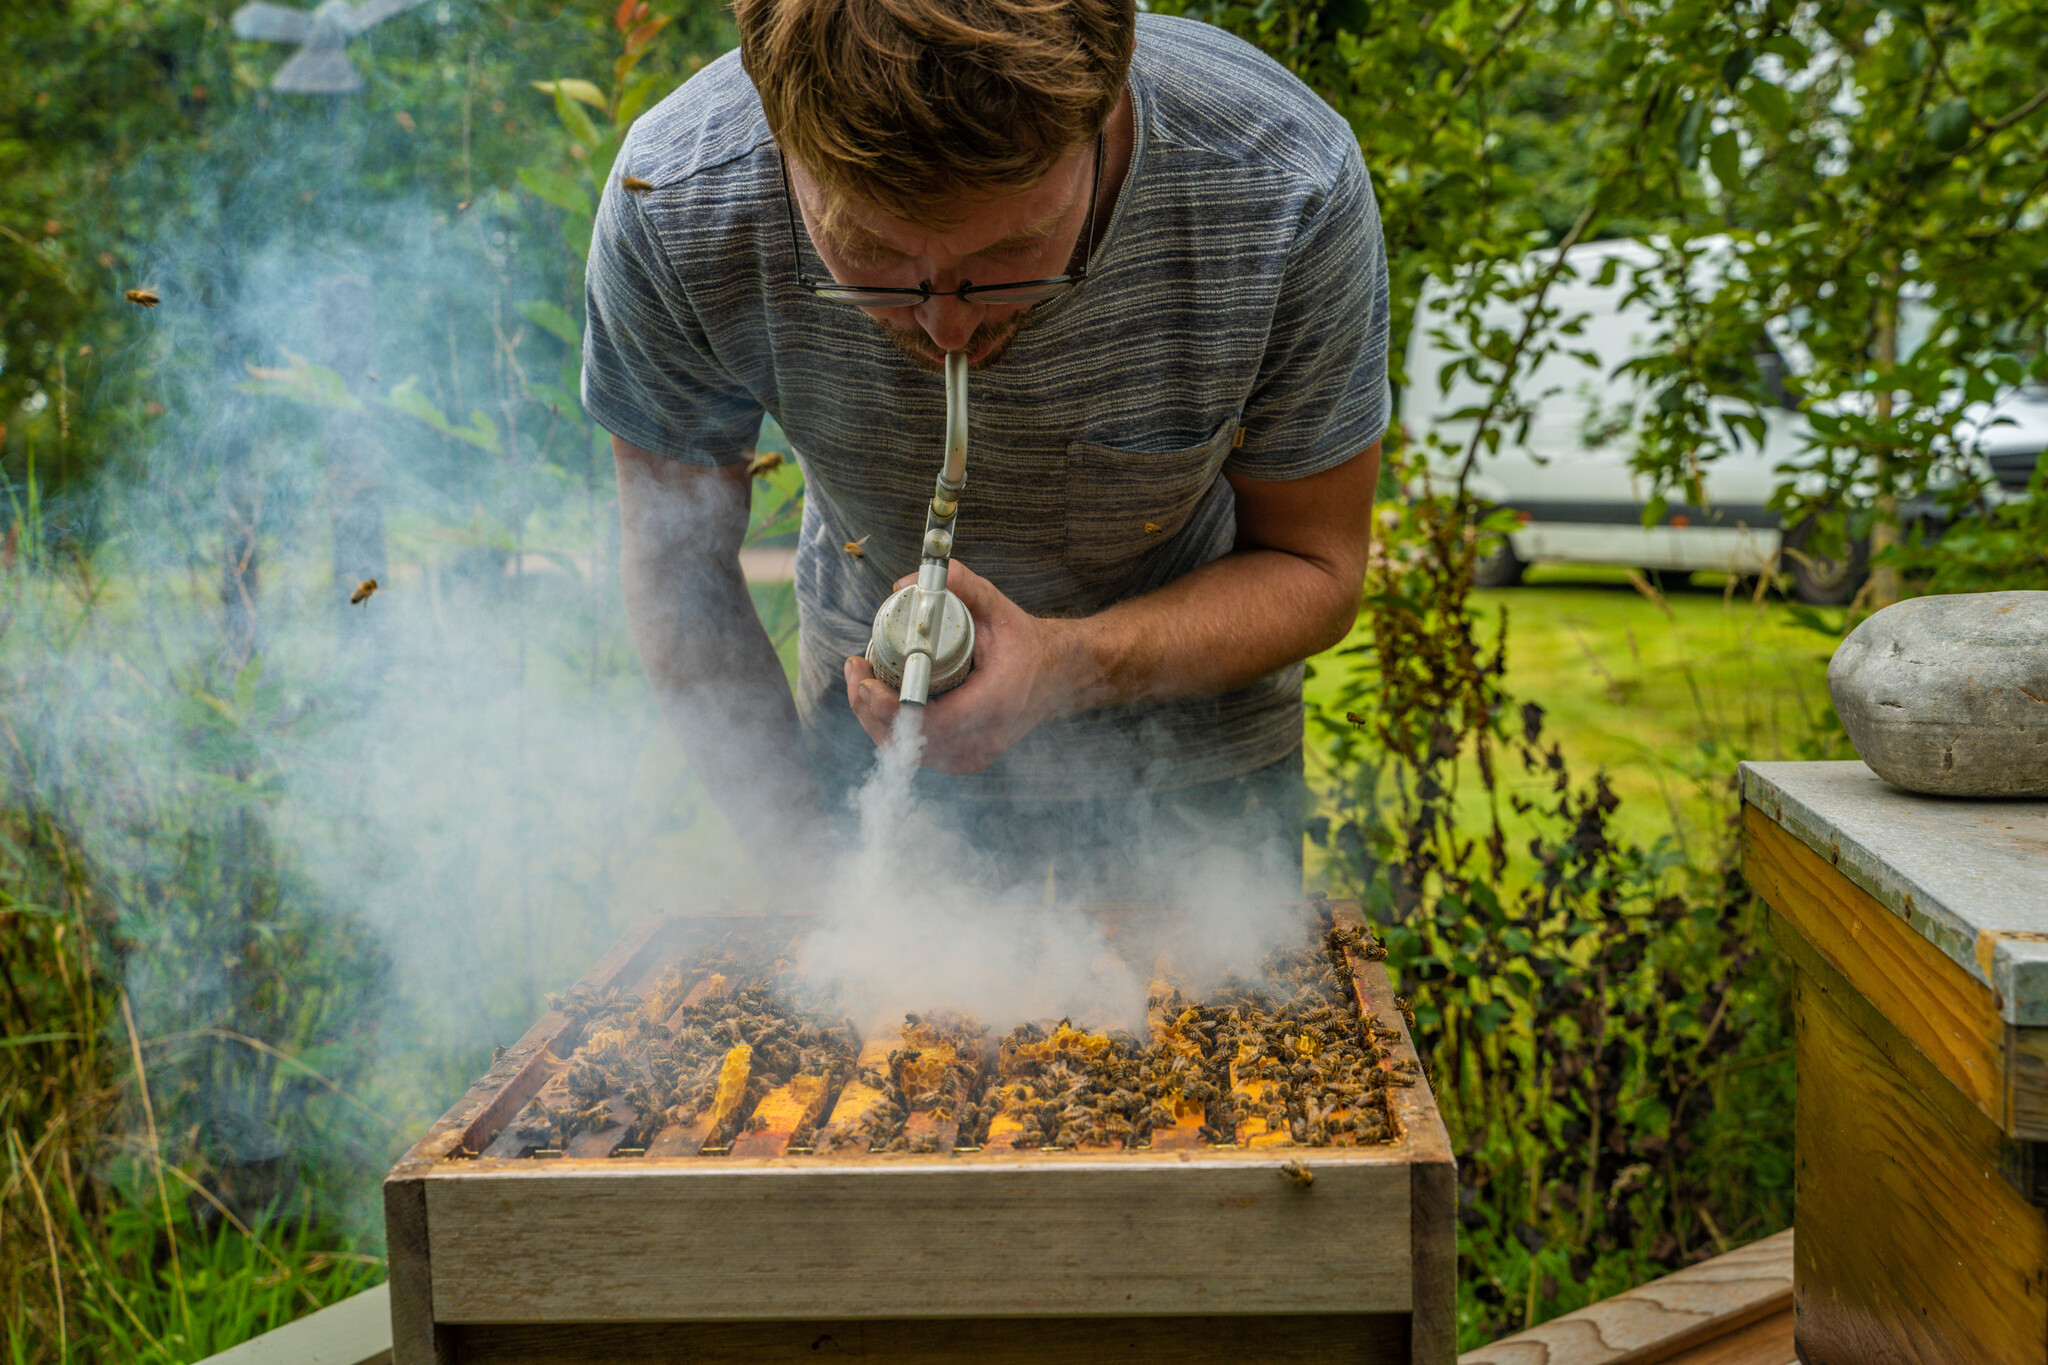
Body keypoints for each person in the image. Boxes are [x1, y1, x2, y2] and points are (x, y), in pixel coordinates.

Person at [584, 0, 1387, 896]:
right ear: (776, 128)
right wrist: (811, 875)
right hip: (874, 759)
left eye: (1013, 248)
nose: (948, 324)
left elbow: (1315, 565)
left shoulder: (1284, 183)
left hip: (1195, 768)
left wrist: (1069, 664)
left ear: (1108, 106)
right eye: (871, 251)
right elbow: (677, 575)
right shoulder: (676, 202)